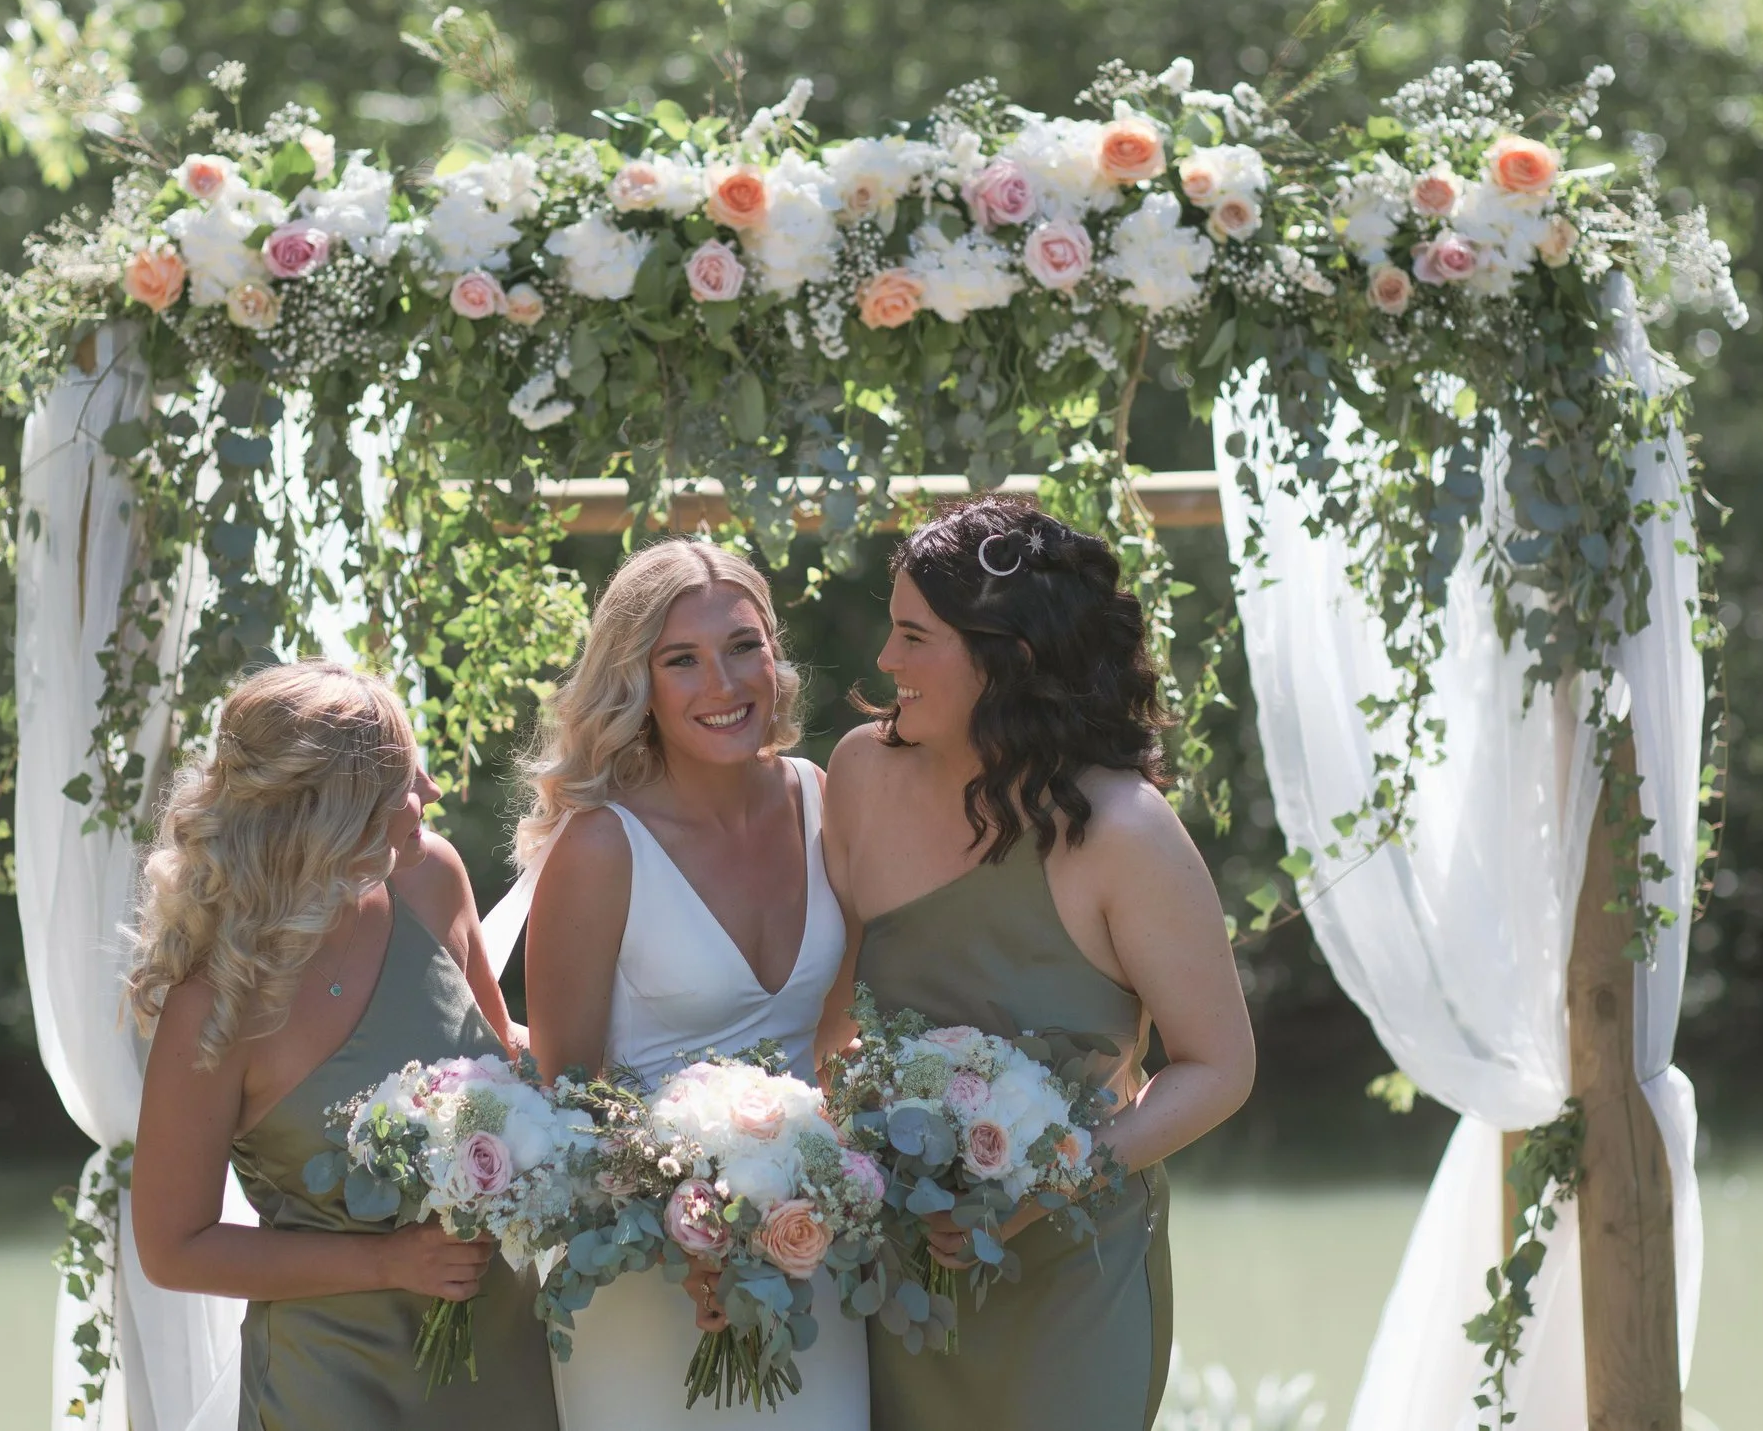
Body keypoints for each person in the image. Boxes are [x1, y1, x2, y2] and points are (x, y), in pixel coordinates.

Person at [818, 496, 1255, 1431]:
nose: (886, 660)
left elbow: (1220, 1066)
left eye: (912, 635)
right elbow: (838, 1014)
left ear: (1005, 655)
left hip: (1073, 1274)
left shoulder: (1126, 831)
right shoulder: (859, 771)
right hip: (899, 1273)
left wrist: (1048, 1183)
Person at [127, 660, 557, 1431]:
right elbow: (173, 1246)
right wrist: (387, 1262)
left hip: (505, 1356)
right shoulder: (215, 1002)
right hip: (336, 1383)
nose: (429, 789)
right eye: (404, 776)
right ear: (333, 807)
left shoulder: (429, 880)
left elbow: (505, 1059)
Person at [519, 538, 870, 1429]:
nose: (723, 683)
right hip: (644, 1282)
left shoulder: (822, 798)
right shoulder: (601, 847)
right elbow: (568, 1096)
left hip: (808, 1260)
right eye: (682, 659)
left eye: (743, 646)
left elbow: (837, 1047)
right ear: (636, 683)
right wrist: (690, 1246)